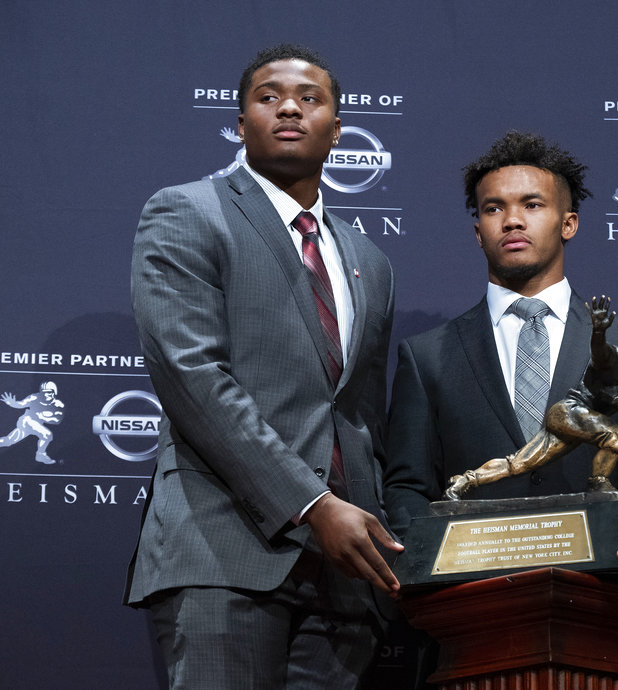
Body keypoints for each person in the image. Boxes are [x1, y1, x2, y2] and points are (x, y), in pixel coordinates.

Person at [124, 44, 402, 689]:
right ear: (240, 120)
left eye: (310, 99)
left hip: (345, 576)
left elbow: (358, 417)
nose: (289, 108)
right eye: (268, 96)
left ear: (337, 130)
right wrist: (311, 503)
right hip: (224, 550)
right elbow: (191, 377)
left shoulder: (369, 259)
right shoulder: (188, 212)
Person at [383, 130, 618, 534]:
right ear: (478, 233)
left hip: (604, 588)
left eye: (532, 204)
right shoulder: (427, 357)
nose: (512, 220)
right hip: (470, 588)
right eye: (493, 208)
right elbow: (408, 490)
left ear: (569, 223)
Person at [444, 297, 618, 499]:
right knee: (616, 436)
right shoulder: (612, 358)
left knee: (519, 463)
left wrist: (613, 396)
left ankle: (465, 480)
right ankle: (598, 483)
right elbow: (600, 354)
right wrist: (598, 332)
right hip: (568, 412)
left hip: (581, 426)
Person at [0, 381, 64, 464]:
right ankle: (40, 455)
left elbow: (57, 420)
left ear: (54, 392)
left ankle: (40, 455)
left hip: (34, 425)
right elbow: (21, 404)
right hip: (27, 421)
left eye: (49, 392)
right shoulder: (34, 397)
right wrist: (12, 403)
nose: (46, 394)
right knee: (47, 434)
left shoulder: (58, 405)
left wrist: (44, 417)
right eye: (44, 392)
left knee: (8, 441)